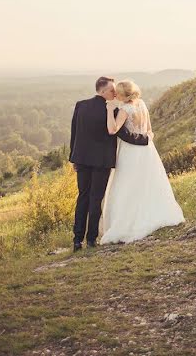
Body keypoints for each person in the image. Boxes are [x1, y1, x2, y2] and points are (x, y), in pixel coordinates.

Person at [69, 76, 151, 251]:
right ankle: (91, 239)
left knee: (82, 197)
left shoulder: (80, 106)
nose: (115, 93)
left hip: (81, 159)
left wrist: (73, 158)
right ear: (104, 91)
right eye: (112, 90)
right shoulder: (113, 110)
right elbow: (124, 135)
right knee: (95, 199)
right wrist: (146, 140)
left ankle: (77, 240)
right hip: (101, 161)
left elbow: (74, 134)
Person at [99, 79, 185, 244]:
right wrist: (148, 139)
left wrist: (109, 110)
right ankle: (155, 214)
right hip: (147, 150)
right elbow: (149, 131)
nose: (115, 94)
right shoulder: (142, 104)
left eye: (117, 92)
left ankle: (130, 222)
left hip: (130, 152)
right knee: (148, 182)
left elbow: (113, 129)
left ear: (124, 95)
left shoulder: (124, 109)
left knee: (127, 184)